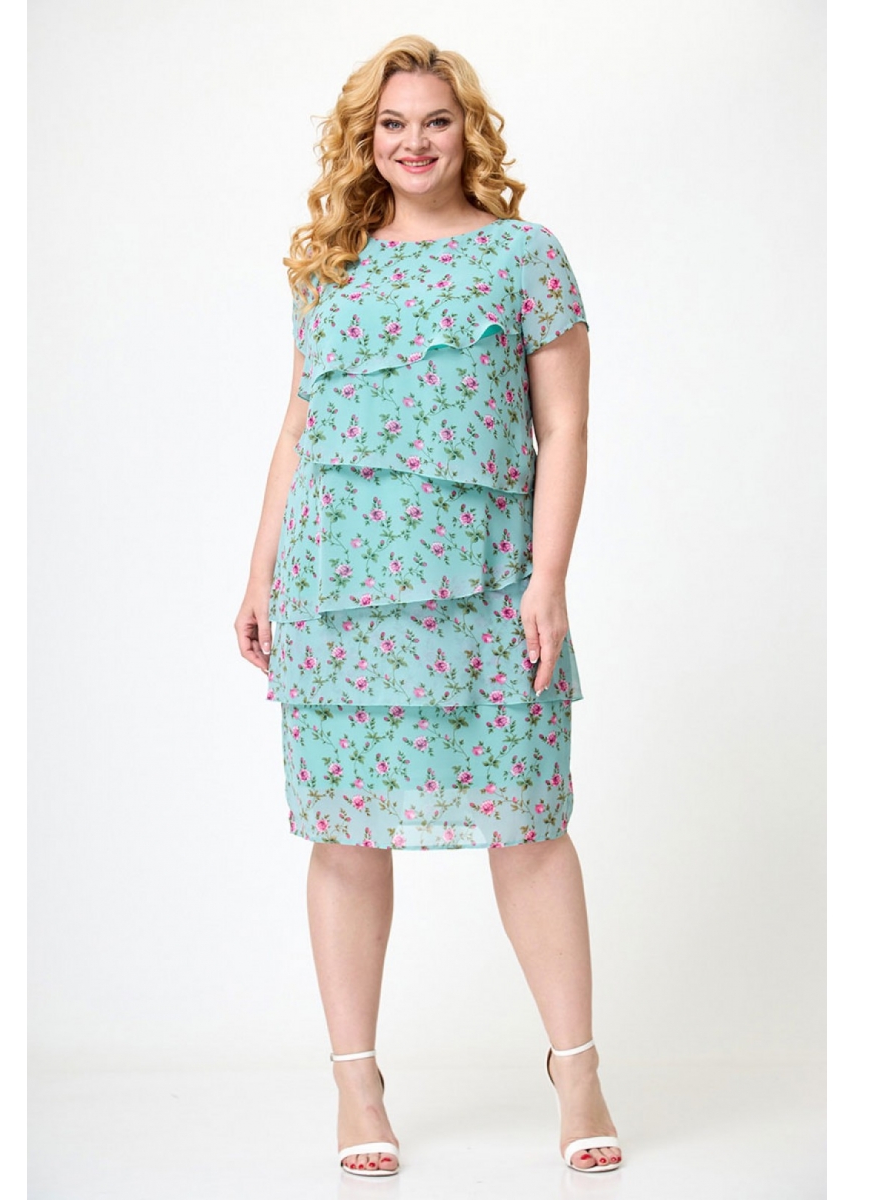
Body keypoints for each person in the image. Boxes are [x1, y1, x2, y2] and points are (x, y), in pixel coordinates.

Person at [234, 34, 621, 1177]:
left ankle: (579, 1070)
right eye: (392, 124)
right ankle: (357, 1087)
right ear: (366, 140)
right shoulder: (329, 266)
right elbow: (300, 425)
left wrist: (549, 576)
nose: (415, 142)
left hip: (491, 584)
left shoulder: (525, 257)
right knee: (347, 835)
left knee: (529, 825)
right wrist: (258, 574)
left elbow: (565, 427)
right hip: (337, 592)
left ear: (468, 132)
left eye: (436, 121)